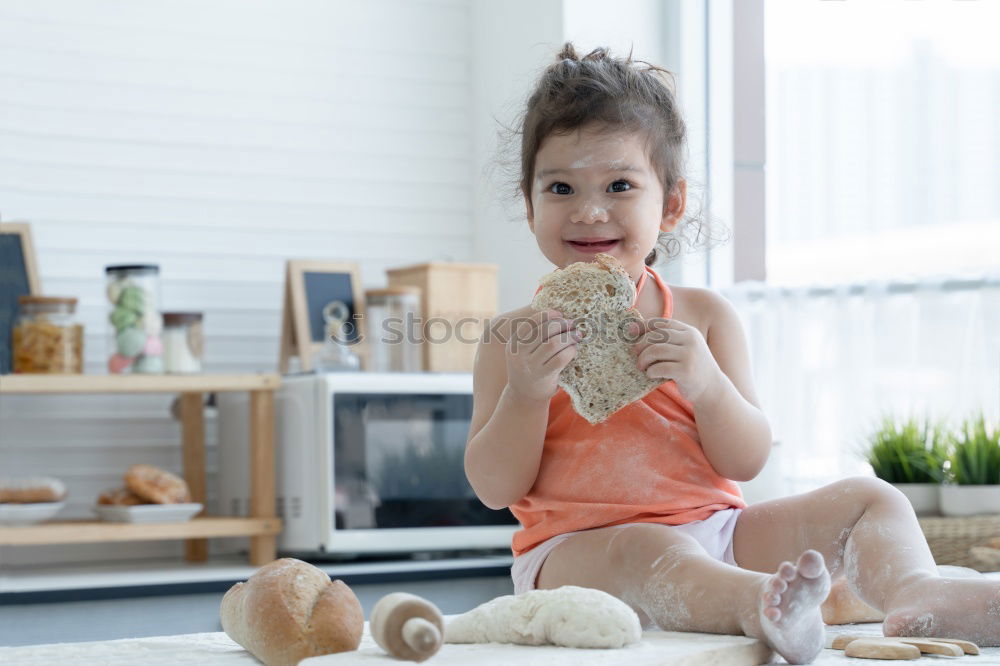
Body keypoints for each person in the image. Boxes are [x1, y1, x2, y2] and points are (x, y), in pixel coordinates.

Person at [464, 43, 1000, 664]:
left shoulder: (705, 317)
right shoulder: (514, 338)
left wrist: (708, 387)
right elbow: (494, 486)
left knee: (871, 497)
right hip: (583, 554)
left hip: (721, 533)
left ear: (670, 205)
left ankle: (920, 594)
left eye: (619, 185)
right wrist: (527, 394)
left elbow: (743, 461)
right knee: (650, 550)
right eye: (560, 187)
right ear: (530, 206)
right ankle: (764, 606)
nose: (589, 210)